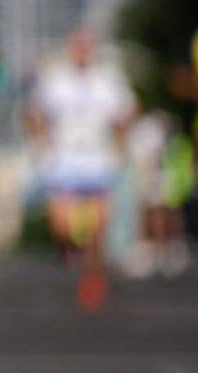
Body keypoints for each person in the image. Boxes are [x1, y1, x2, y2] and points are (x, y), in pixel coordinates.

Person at [27, 26, 134, 310]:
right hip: (64, 160)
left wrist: (121, 143)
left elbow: (126, 112)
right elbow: (35, 113)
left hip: (98, 160)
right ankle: (69, 253)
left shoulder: (108, 80)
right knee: (63, 227)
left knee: (97, 228)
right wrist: (41, 143)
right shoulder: (56, 79)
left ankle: (92, 279)